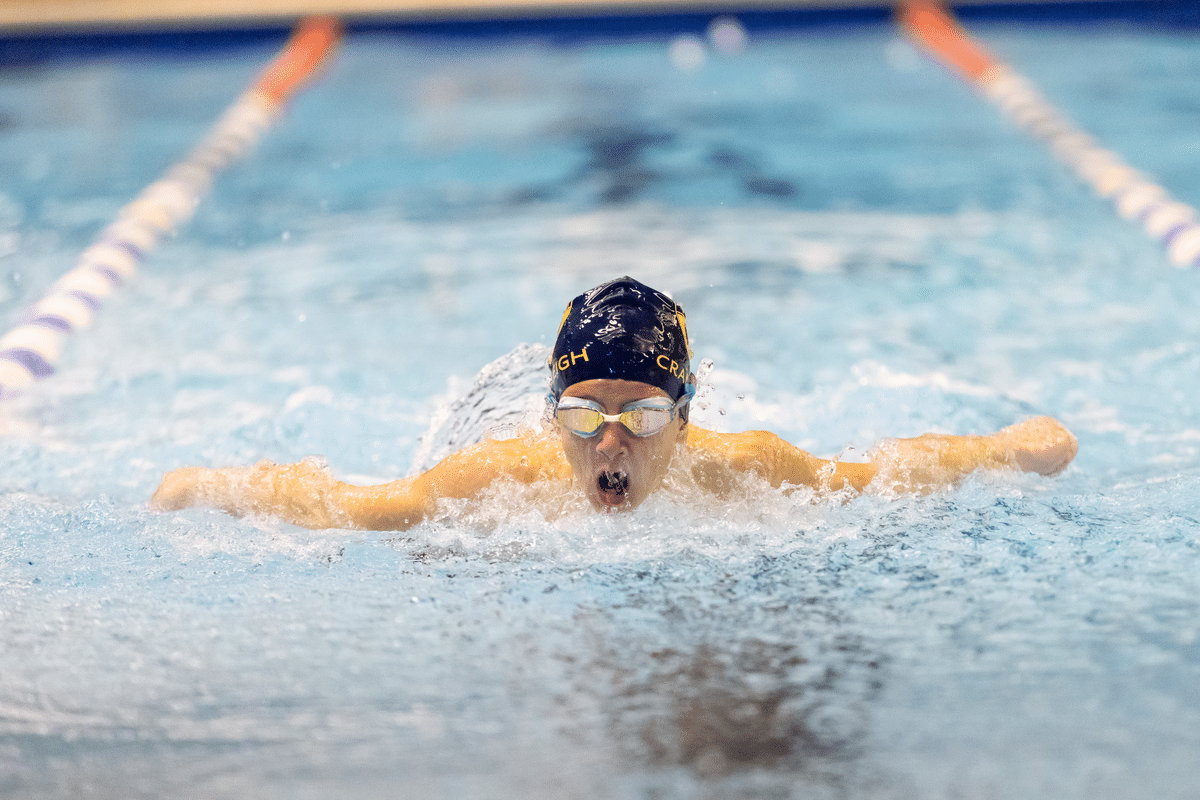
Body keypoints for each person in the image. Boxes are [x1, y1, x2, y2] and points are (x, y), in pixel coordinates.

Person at [151, 276, 1077, 530]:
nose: (611, 442)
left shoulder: (740, 469)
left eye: (643, 416)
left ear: (686, 414)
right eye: (584, 414)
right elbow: (353, 505)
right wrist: (215, 485)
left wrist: (1002, 448)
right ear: (550, 412)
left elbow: (883, 474)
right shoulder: (506, 482)